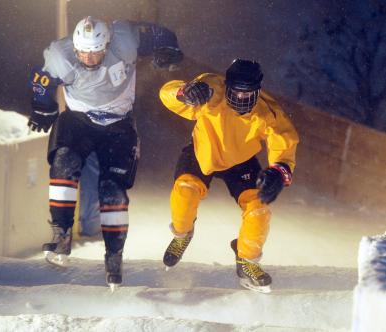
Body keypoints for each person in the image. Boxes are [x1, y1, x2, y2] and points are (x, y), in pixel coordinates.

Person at [28, 16, 183, 289]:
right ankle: (61, 233)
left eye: (96, 51)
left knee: (112, 188)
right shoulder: (60, 55)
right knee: (64, 163)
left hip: (118, 124)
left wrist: (168, 47)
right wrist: (43, 106)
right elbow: (42, 81)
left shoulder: (124, 39)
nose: (88, 58)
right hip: (79, 120)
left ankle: (114, 254)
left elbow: (160, 34)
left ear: (108, 45)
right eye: (83, 52)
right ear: (74, 48)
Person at [159, 59, 299, 293]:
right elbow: (166, 95)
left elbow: (285, 143)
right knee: (185, 192)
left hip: (241, 162)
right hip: (202, 152)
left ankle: (247, 260)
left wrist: (279, 171)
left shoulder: (268, 112)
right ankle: (183, 234)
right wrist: (184, 92)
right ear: (228, 85)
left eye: (248, 95)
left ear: (258, 90)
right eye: (236, 93)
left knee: (259, 209)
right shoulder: (210, 89)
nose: (241, 100)